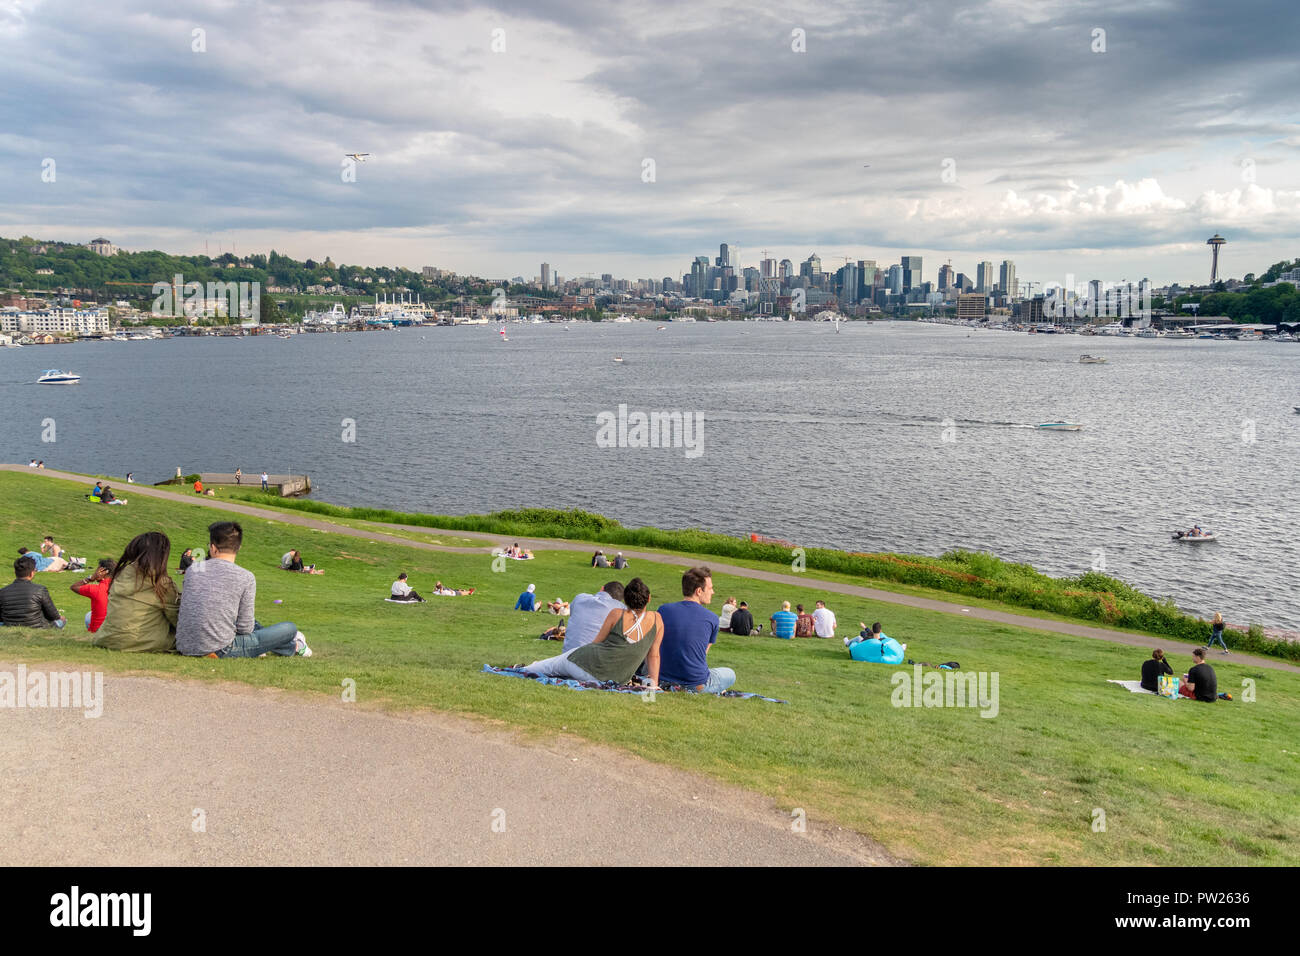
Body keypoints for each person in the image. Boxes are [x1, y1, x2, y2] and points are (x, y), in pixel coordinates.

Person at [176, 520, 310, 658]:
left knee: (249, 621)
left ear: (213, 547)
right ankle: (294, 647)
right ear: (239, 548)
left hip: (184, 645)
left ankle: (284, 647)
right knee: (290, 629)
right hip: (221, 649)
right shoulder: (245, 577)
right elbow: (245, 628)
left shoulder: (193, 570)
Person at [524, 577, 664, 687]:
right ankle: (534, 667)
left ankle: (527, 668)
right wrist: (654, 684)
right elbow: (654, 656)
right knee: (555, 665)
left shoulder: (617, 614)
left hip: (588, 665)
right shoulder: (657, 620)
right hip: (615, 678)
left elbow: (596, 643)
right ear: (649, 598)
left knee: (550, 666)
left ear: (625, 599)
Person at [93, 533, 180, 652]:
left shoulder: (120, 575)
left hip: (107, 639)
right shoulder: (161, 583)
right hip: (143, 642)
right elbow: (178, 619)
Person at [656, 566, 735, 693]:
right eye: (710, 588)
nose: (713, 592)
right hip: (695, 683)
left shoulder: (663, 610)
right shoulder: (712, 619)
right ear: (699, 591)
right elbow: (702, 654)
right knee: (730, 674)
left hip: (663, 678)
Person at [0, 555, 65, 628]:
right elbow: (53, 616)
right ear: (32, 573)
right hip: (37, 627)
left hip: (10, 626)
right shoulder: (40, 590)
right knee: (62, 620)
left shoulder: (2, 591)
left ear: (15, 572)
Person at [563, 581, 626, 652]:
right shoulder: (621, 609)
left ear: (602, 589)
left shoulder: (580, 598)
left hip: (567, 654)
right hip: (593, 657)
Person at [71, 559, 116, 632]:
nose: (95, 572)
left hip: (98, 631)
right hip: (116, 630)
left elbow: (74, 587)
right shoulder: (120, 587)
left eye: (97, 570)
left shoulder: (95, 589)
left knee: (88, 615)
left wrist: (90, 578)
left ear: (103, 572)